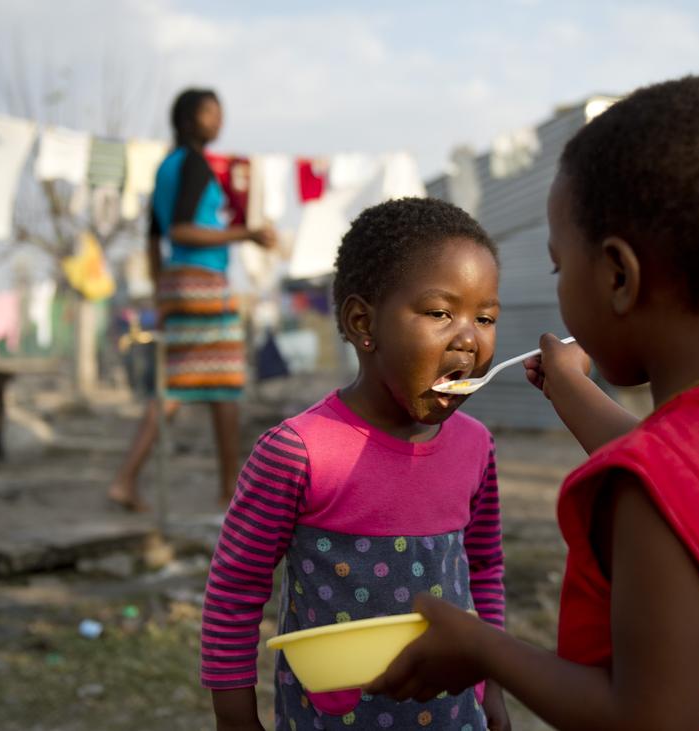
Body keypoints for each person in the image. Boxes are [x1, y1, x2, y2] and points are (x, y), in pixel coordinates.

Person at [368, 77, 699, 729]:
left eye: (559, 266)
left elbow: (644, 720)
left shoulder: (649, 495)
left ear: (619, 275)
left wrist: (480, 646)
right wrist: (573, 390)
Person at [202, 198, 511, 731]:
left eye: (484, 318)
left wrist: (494, 689)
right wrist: (235, 716)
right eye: (440, 313)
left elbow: (484, 569)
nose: (468, 338)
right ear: (362, 322)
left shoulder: (476, 447)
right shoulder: (297, 452)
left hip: (454, 715)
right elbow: (236, 586)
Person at [107, 88, 276, 513]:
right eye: (209, 113)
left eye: (219, 112)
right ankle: (230, 492)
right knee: (225, 385)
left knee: (174, 385)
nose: (218, 120)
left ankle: (126, 479)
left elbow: (153, 238)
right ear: (187, 120)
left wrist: (161, 291)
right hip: (204, 284)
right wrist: (246, 233)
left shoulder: (166, 167)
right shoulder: (196, 164)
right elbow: (181, 230)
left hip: (176, 283)